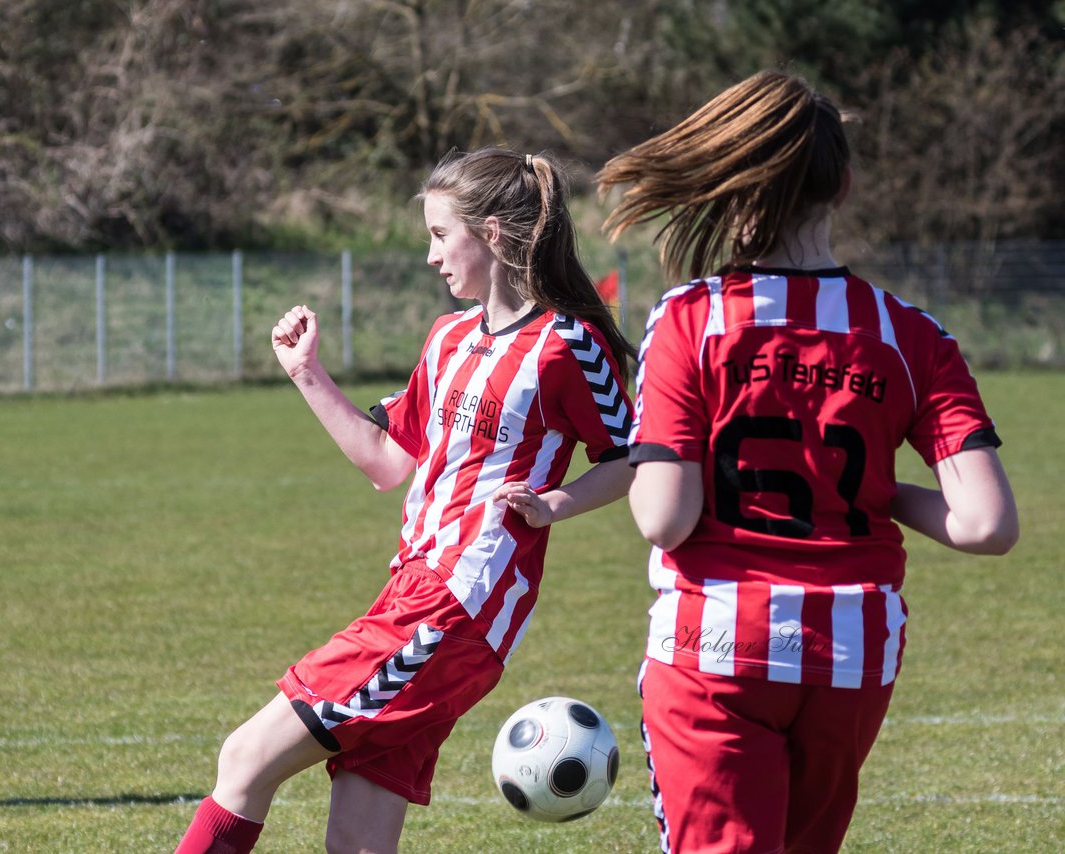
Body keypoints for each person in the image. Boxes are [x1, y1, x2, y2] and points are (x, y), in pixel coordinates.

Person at [596, 70, 1018, 854]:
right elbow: (987, 525)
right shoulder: (910, 335)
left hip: (716, 644)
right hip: (852, 652)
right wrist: (873, 492)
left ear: (733, 190)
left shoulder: (691, 319)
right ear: (845, 187)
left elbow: (663, 516)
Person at [173, 147, 637, 854]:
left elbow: (630, 457)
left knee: (244, 758)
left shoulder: (564, 344)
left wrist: (556, 504)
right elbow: (387, 462)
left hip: (457, 604)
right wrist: (307, 374)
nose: (429, 256)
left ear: (492, 235)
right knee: (358, 839)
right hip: (413, 594)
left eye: (439, 234)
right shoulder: (448, 338)